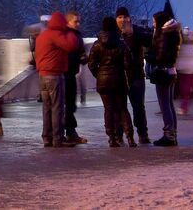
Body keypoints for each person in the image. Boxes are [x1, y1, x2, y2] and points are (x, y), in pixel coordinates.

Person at [34, 11, 78, 147]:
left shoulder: (42, 35)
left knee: (46, 108)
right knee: (57, 107)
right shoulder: (56, 34)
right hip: (54, 75)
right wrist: (70, 31)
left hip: (42, 75)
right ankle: (58, 138)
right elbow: (71, 45)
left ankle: (47, 137)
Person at [88, 16, 134, 147]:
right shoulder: (121, 43)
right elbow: (128, 63)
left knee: (108, 109)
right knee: (123, 109)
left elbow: (91, 64)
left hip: (103, 81)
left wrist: (100, 75)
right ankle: (130, 137)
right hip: (119, 80)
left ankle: (112, 138)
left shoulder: (97, 44)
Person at [116, 6, 152, 144]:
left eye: (125, 17)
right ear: (116, 19)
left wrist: (133, 34)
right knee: (120, 107)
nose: (123, 20)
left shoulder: (136, 30)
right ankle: (119, 135)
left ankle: (143, 133)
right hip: (119, 75)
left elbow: (149, 40)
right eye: (120, 17)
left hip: (135, 74)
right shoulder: (113, 33)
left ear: (129, 18)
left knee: (138, 106)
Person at [150, 11, 182, 146]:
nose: (153, 24)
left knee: (164, 104)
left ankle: (168, 135)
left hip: (162, 72)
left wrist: (150, 56)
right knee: (169, 104)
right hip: (171, 71)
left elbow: (160, 56)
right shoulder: (173, 32)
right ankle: (173, 133)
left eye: (154, 21)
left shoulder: (163, 34)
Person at [64, 11, 88, 144]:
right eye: (75, 21)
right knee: (68, 105)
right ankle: (70, 132)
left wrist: (83, 57)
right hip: (65, 74)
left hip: (71, 73)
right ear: (68, 22)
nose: (78, 24)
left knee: (70, 104)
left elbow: (80, 52)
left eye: (79, 21)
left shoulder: (77, 36)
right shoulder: (66, 36)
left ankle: (69, 131)